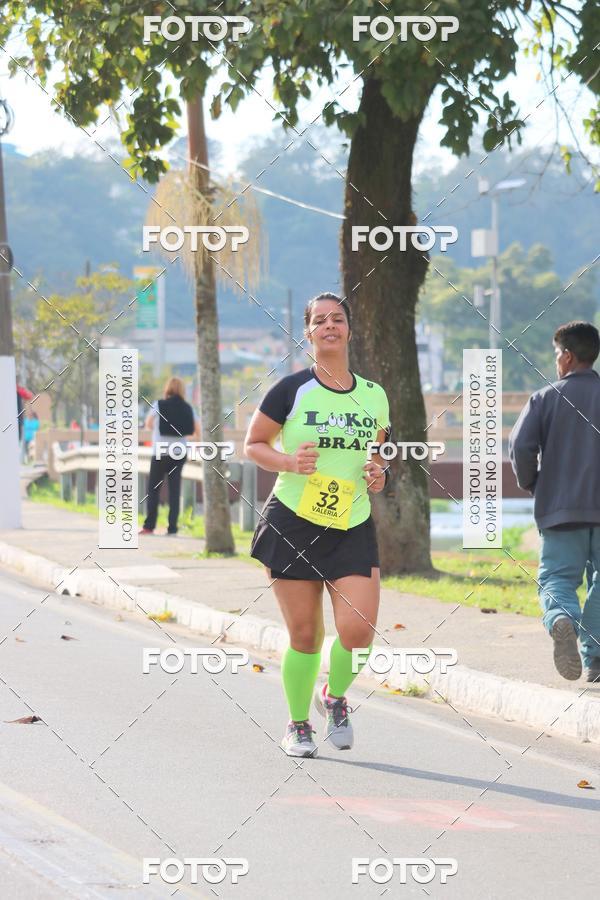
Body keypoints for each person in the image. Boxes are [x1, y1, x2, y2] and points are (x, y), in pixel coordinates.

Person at [244, 292, 390, 757]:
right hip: (294, 522)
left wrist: (379, 473)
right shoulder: (290, 390)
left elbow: (378, 455)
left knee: (359, 631)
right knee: (306, 636)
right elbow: (253, 445)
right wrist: (288, 460)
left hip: (351, 522)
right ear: (308, 332)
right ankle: (299, 723)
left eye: (338, 319)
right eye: (320, 320)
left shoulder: (374, 395)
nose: (330, 326)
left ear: (349, 329)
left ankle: (334, 696)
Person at [509, 321, 600, 683]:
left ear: (566, 356)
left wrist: (534, 483)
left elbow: (520, 448)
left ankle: (562, 618)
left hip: (561, 510)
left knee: (559, 578)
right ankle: (595, 659)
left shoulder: (546, 398)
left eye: (556, 354)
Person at [141, 376, 199, 536]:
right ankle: (172, 527)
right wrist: (186, 438)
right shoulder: (189, 408)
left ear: (167, 389)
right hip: (179, 453)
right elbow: (197, 431)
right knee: (175, 490)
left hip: (160, 451)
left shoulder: (159, 405)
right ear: (182, 390)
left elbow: (149, 424)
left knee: (153, 488)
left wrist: (157, 428)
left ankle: (149, 526)